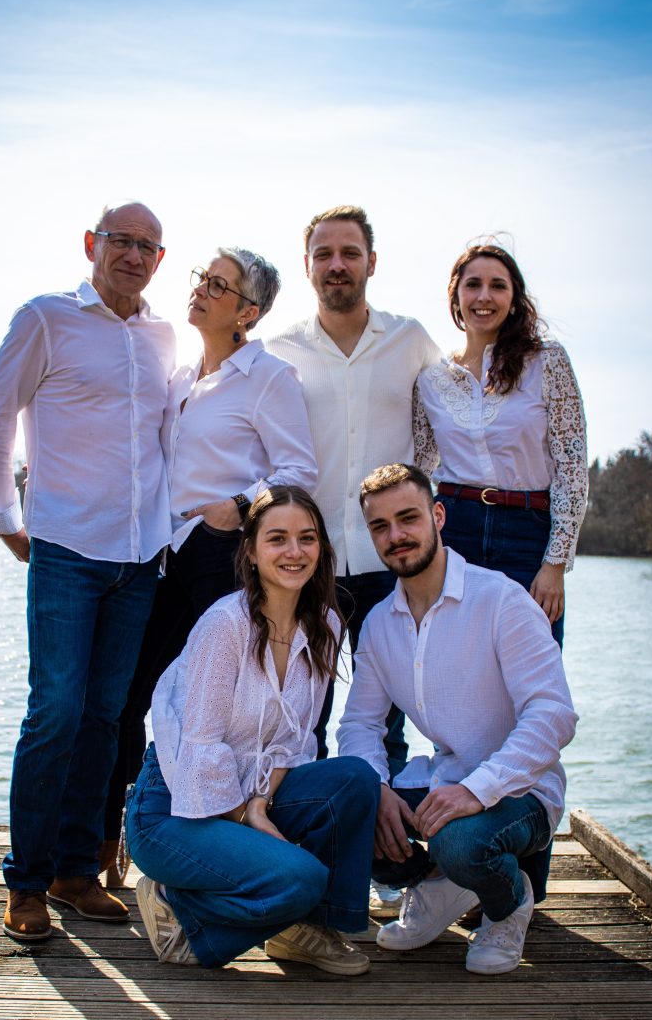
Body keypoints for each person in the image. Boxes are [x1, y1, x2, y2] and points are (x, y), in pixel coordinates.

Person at [0, 201, 175, 942]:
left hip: (140, 557)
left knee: (105, 717)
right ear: (92, 244)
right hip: (64, 549)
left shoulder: (161, 336)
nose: (134, 254)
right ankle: (24, 880)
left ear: (159, 258)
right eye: (122, 240)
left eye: (149, 245)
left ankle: (75, 870)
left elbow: (166, 438)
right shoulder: (46, 318)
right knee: (54, 711)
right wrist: (3, 518)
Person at [101, 249, 317, 881]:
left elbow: (300, 469)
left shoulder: (269, 377)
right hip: (159, 557)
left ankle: (232, 845)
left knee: (214, 709)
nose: (200, 290)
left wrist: (241, 506)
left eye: (218, 286)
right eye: (202, 278)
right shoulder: (181, 376)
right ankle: (116, 843)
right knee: (132, 699)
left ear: (246, 312)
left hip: (222, 556)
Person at [266, 204, 440, 917]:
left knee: (385, 712)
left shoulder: (411, 342)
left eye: (349, 252)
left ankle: (386, 861)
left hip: (385, 556)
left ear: (371, 261)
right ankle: (305, 855)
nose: (336, 265)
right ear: (307, 265)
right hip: (304, 561)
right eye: (322, 254)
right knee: (299, 710)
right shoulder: (278, 350)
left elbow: (439, 432)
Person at [126, 486, 380, 973]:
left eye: (307, 539)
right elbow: (200, 745)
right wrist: (248, 817)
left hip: (248, 793)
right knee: (299, 878)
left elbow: (297, 740)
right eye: (277, 538)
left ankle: (304, 930)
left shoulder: (325, 625)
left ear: (322, 549)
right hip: (175, 809)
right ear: (251, 549)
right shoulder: (225, 624)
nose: (294, 552)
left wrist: (262, 802)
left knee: (355, 780)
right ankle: (180, 910)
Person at [338, 463, 577, 975]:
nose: (396, 536)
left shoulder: (501, 600)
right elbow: (359, 725)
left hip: (521, 792)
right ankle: (438, 886)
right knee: (347, 807)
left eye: (408, 518)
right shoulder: (380, 623)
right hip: (446, 780)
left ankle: (509, 904)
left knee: (460, 841)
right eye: (381, 526)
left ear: (438, 516)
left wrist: (476, 790)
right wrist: (376, 788)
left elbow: (553, 713)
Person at [413, 242, 588, 647]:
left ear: (514, 299)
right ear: (456, 295)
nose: (484, 296)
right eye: (473, 285)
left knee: (534, 668)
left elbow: (572, 469)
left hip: (529, 531)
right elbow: (420, 469)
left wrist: (555, 565)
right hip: (455, 531)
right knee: (458, 663)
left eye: (498, 286)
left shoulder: (549, 361)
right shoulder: (431, 379)